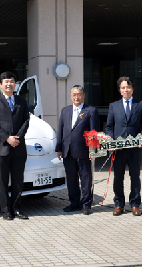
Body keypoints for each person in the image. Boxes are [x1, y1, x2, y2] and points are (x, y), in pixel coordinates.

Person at [0, 71, 30, 220]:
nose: (9, 84)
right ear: (0, 85)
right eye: (6, 81)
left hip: (19, 146)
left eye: (12, 81)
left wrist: (17, 138)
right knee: (3, 181)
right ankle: (6, 210)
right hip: (2, 147)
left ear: (15, 84)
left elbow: (26, 121)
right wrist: (7, 138)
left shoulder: (21, 101)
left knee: (18, 180)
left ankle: (17, 209)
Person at [105, 77, 142, 216]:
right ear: (119, 90)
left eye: (128, 87)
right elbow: (109, 126)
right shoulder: (113, 106)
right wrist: (110, 140)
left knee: (135, 177)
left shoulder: (140, 105)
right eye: (123, 87)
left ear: (133, 89)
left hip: (135, 149)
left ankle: (135, 204)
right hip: (118, 149)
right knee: (118, 178)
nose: (126, 90)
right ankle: (119, 204)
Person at [55, 85, 99, 215]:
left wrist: (93, 151)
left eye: (79, 94)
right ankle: (74, 203)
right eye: (74, 94)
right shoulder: (65, 111)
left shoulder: (90, 111)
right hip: (67, 151)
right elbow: (61, 130)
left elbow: (93, 133)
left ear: (84, 95)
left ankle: (86, 205)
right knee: (72, 179)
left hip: (83, 151)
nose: (76, 97)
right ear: (71, 96)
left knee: (85, 179)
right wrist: (59, 148)